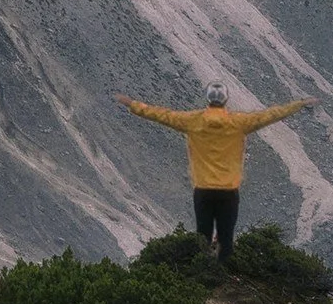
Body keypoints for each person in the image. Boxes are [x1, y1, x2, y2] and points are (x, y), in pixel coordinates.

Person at [121, 83, 315, 259]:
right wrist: (299, 104)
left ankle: (201, 277)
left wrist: (132, 104)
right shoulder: (239, 122)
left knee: (202, 237)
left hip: (203, 189)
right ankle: (221, 277)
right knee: (226, 238)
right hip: (228, 191)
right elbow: (270, 115)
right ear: (225, 100)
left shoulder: (191, 120)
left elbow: (161, 115)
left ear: (208, 100)